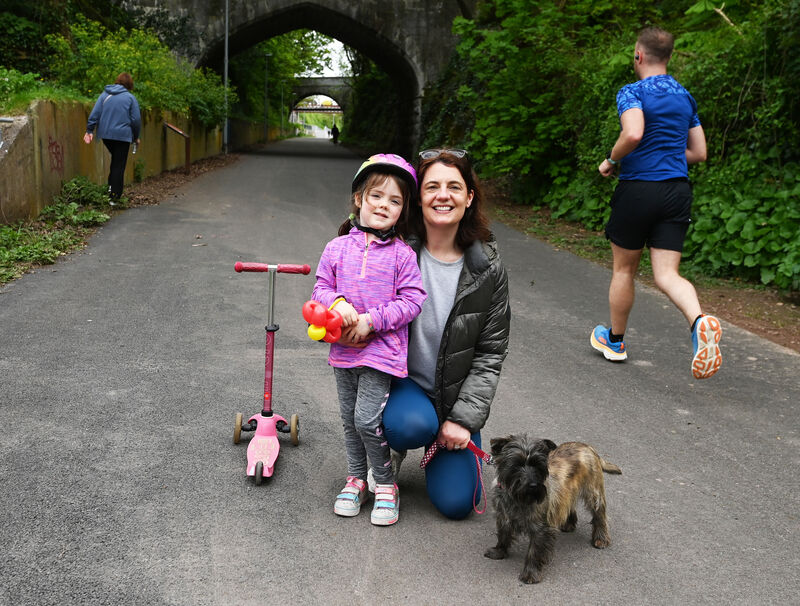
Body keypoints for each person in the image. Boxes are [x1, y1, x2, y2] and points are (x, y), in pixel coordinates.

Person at [375, 148, 511, 521]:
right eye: (431, 186)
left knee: (457, 504)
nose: (442, 195)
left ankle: (443, 436)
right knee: (411, 425)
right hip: (404, 388)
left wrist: (463, 420)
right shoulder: (395, 250)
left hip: (454, 399)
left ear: (469, 197)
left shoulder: (488, 269)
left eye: (454, 186)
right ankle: (392, 445)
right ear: (418, 197)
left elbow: (490, 354)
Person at [592, 27, 722, 380]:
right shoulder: (685, 97)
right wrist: (664, 153)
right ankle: (699, 322)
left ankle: (615, 341)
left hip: (638, 189)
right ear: (668, 57)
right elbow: (699, 152)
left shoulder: (632, 92)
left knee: (624, 270)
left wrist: (611, 160)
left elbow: (632, 133)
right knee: (667, 274)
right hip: (677, 190)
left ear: (638, 55)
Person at [312, 153, 427, 526]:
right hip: (342, 351)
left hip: (381, 352)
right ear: (359, 198)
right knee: (348, 419)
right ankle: (355, 479)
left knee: (366, 419)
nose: (384, 205)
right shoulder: (337, 248)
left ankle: (385, 483)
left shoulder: (403, 255)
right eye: (377, 196)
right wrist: (338, 302)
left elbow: (412, 301)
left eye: (395, 201)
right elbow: (321, 289)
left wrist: (371, 321)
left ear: (402, 211)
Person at [83, 72, 141, 204]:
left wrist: (89, 130)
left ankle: (111, 188)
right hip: (122, 136)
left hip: (106, 136)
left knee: (116, 161)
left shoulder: (105, 94)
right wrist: (136, 137)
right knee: (119, 165)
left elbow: (95, 113)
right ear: (130, 84)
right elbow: (136, 120)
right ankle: (114, 196)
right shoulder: (130, 98)